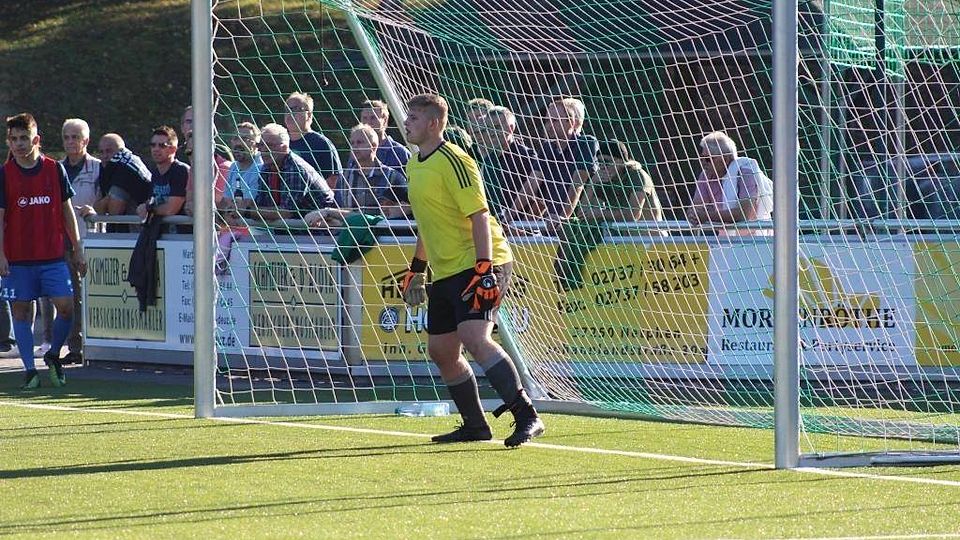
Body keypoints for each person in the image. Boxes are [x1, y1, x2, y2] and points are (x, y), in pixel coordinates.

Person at [400, 93, 544, 447]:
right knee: (441, 351)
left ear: (434, 123)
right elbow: (428, 223)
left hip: (482, 260)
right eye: (408, 117)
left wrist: (483, 268)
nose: (406, 122)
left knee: (475, 337)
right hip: (447, 269)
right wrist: (417, 269)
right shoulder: (414, 164)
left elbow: (479, 216)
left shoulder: (456, 160)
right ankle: (475, 426)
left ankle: (528, 415)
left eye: (414, 118)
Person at [1, 113, 86, 389]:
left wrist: (77, 247)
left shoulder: (54, 169)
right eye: (13, 139)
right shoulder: (4, 174)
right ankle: (29, 370)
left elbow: (67, 210)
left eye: (23, 138)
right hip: (18, 259)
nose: (18, 144)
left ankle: (53, 355)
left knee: (66, 307)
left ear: (36, 139)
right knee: (21, 312)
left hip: (52, 256)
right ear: (8, 142)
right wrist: (1, 255)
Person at [555, 140, 666, 290]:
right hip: (626, 243)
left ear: (620, 162)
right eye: (599, 162)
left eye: (607, 162)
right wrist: (593, 183)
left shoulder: (637, 175)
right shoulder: (605, 179)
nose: (602, 167)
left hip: (653, 242)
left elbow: (633, 215)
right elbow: (584, 213)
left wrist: (600, 213)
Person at [512, 98, 598, 230]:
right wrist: (510, 214)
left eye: (555, 120)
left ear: (572, 122)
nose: (549, 125)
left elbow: (577, 184)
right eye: (547, 120)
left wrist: (563, 217)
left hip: (580, 226)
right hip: (552, 223)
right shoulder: (547, 148)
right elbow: (531, 184)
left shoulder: (586, 143)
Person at [60, 118, 103, 363]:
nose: (70, 142)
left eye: (75, 137)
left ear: (86, 140)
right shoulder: (56, 168)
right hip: (63, 241)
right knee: (70, 297)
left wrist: (96, 209)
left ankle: (97, 346)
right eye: (66, 137)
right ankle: (74, 347)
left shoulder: (98, 168)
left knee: (93, 295)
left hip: (92, 240)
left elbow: (107, 200)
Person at [685, 131, 773, 236]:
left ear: (725, 159)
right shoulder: (705, 176)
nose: (703, 163)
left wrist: (706, 216)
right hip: (724, 238)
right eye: (702, 158)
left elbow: (743, 215)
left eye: (708, 159)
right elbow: (696, 207)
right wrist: (693, 214)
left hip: (754, 238)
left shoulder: (746, 173)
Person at [316, 124, 407, 223]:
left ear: (373, 146)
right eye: (352, 143)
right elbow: (338, 208)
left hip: (382, 230)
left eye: (359, 142)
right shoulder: (344, 178)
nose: (355, 147)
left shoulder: (392, 177)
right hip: (352, 230)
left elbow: (406, 209)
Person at [250, 123, 335, 223]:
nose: (263, 150)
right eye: (261, 145)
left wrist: (246, 211)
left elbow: (286, 212)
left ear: (284, 148)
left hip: (321, 225)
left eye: (269, 146)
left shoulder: (295, 169)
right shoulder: (267, 167)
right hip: (293, 225)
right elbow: (260, 203)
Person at [474, 106, 541, 225]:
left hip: (522, 229)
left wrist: (524, 225)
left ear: (511, 128)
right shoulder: (488, 160)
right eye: (488, 128)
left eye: (497, 127)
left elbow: (542, 199)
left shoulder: (527, 156)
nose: (491, 133)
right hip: (494, 227)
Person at [284, 92, 343, 190]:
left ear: (309, 115)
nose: (290, 113)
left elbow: (332, 181)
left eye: (295, 109)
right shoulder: (280, 143)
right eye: (287, 109)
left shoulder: (321, 143)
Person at [93, 133, 152, 218]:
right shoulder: (109, 165)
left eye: (109, 151)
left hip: (140, 223)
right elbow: (98, 209)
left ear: (120, 150)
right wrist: (108, 199)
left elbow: (114, 211)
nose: (105, 156)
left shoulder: (124, 168)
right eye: (101, 152)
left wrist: (107, 199)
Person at [136, 126, 188, 222]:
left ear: (173, 149)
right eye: (153, 145)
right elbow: (152, 201)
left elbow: (171, 209)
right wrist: (143, 207)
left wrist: (148, 209)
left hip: (181, 230)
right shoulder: (155, 173)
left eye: (162, 145)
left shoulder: (180, 171)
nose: (156, 149)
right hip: (161, 229)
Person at [358, 99, 410, 171]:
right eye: (364, 118)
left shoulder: (399, 152)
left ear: (385, 120)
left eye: (373, 117)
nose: (368, 122)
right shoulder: (357, 151)